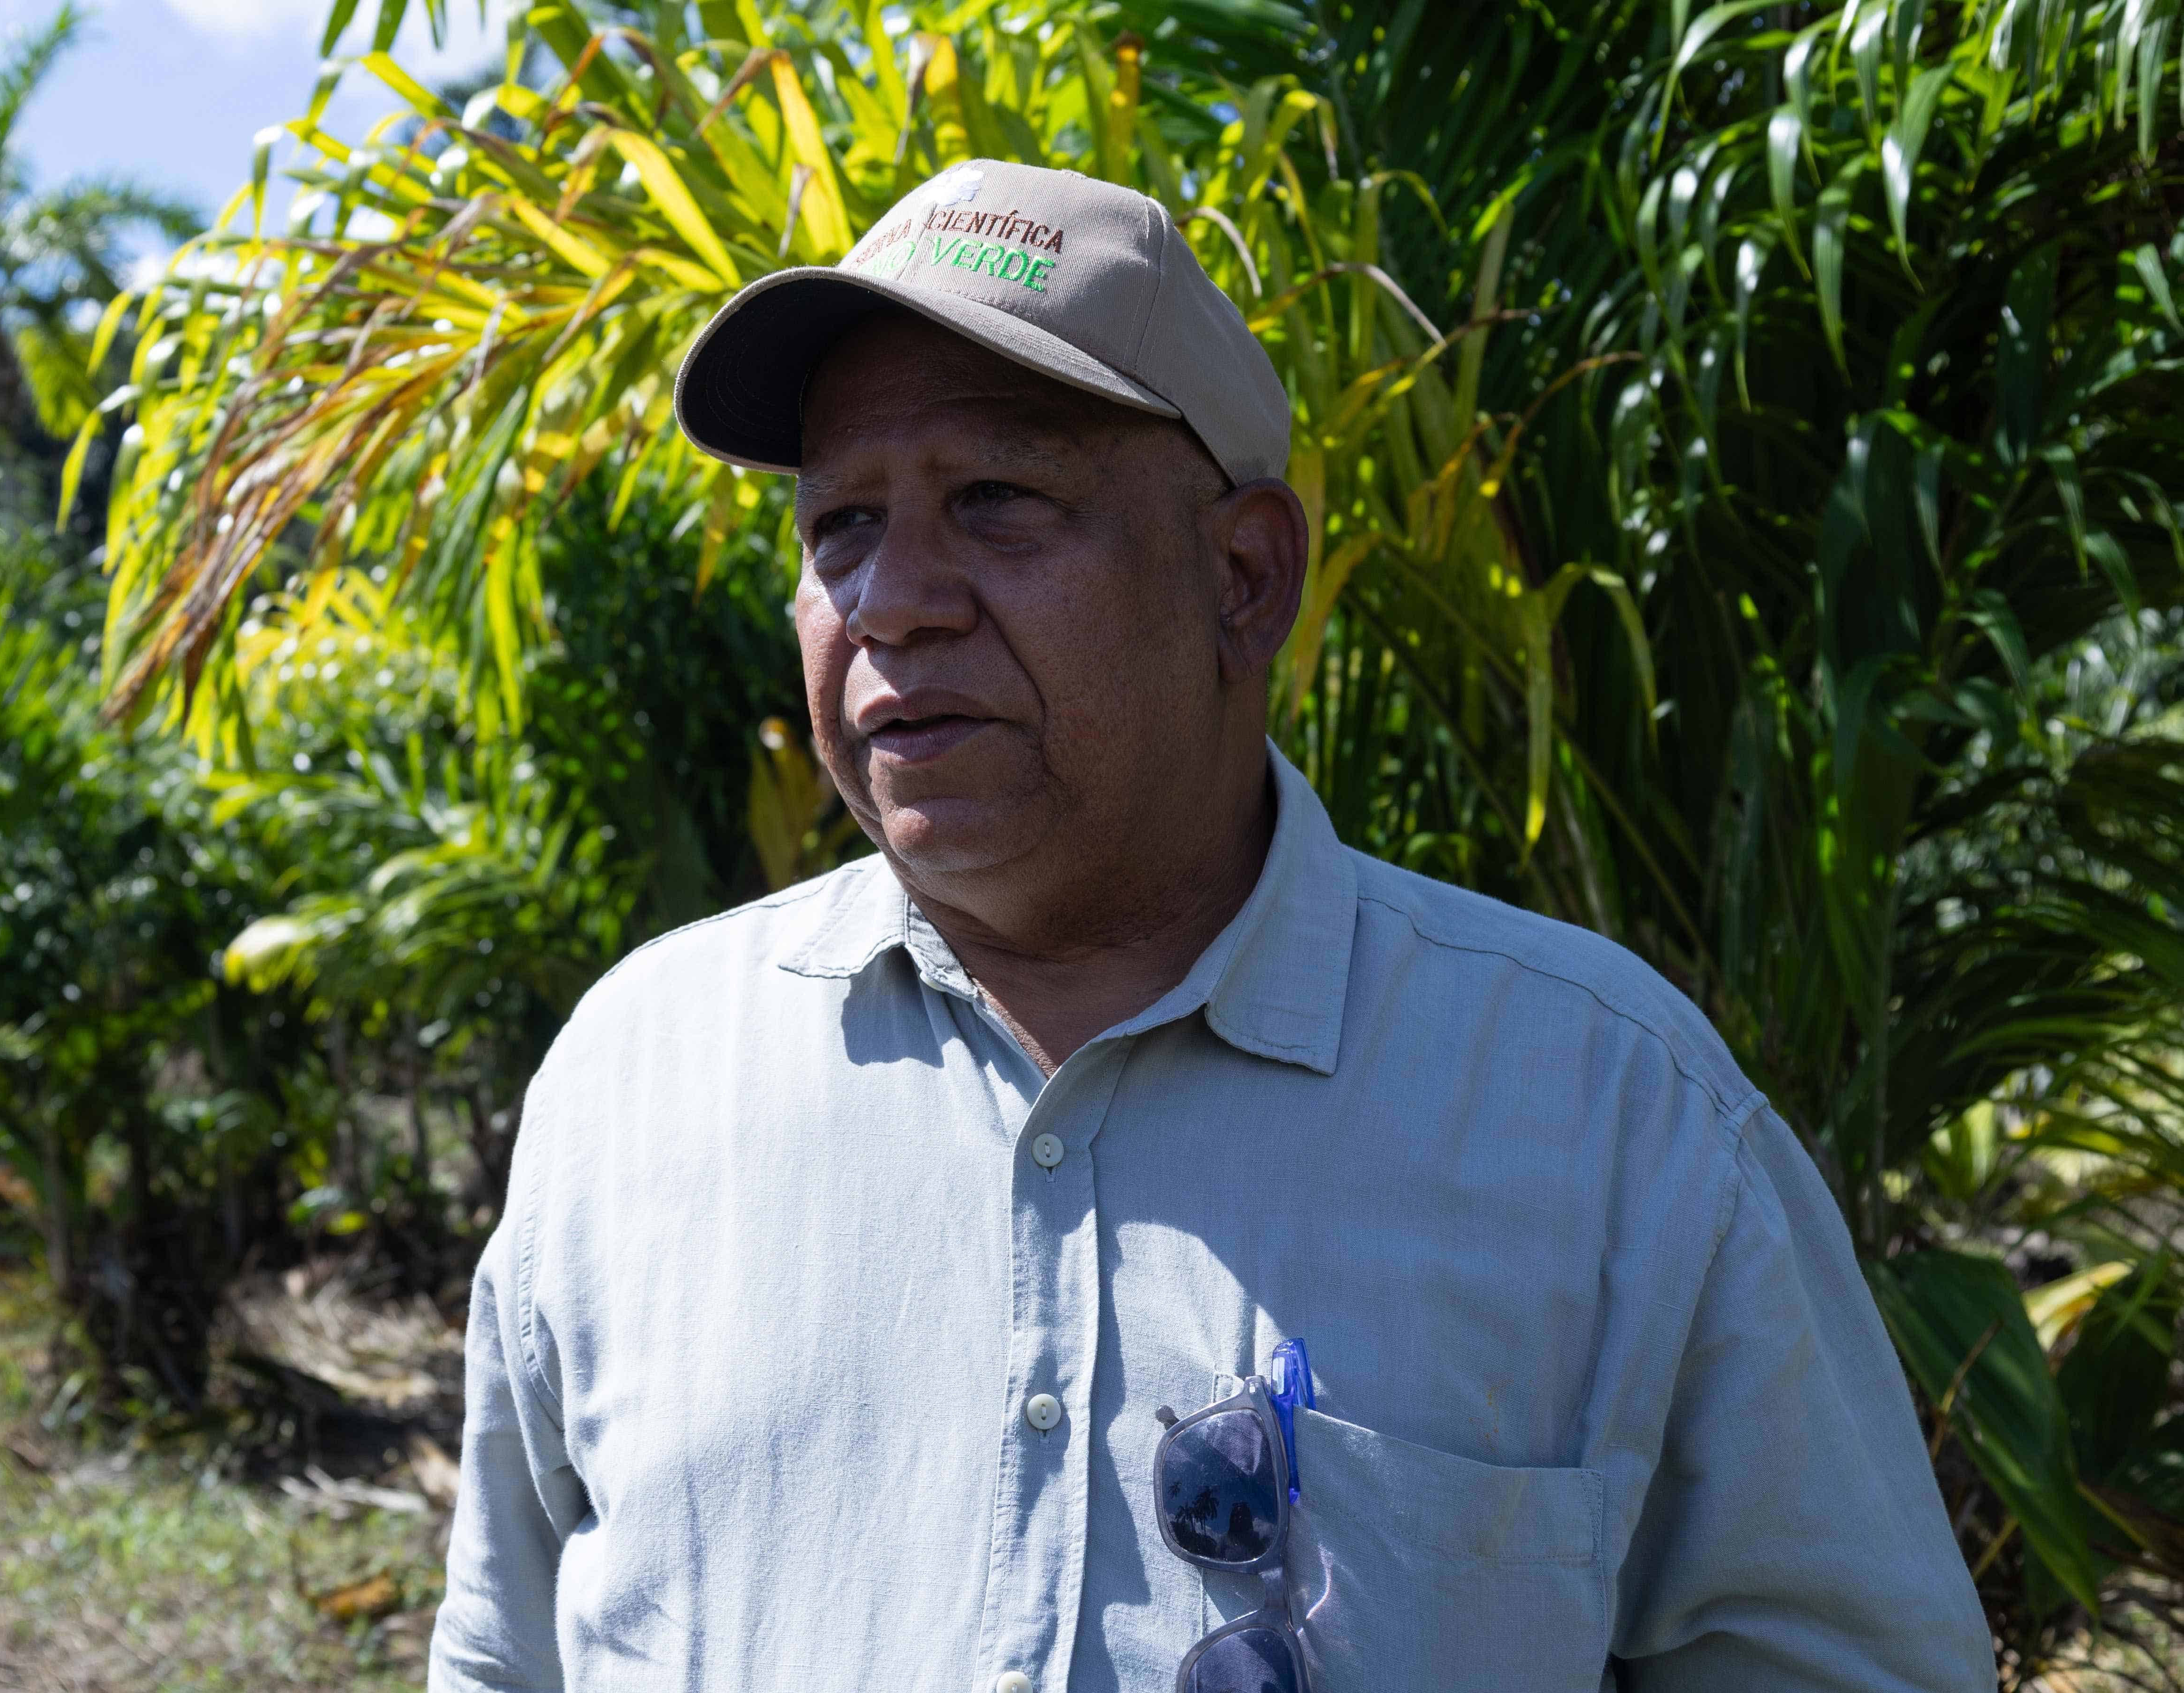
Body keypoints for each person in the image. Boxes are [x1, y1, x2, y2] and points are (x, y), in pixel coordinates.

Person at [428, 159, 1992, 1693]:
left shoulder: (1613, 1118)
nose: (893, 599)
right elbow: (505, 1660)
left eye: (996, 500)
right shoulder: (635, 1082)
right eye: (840, 523)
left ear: (1244, 576)